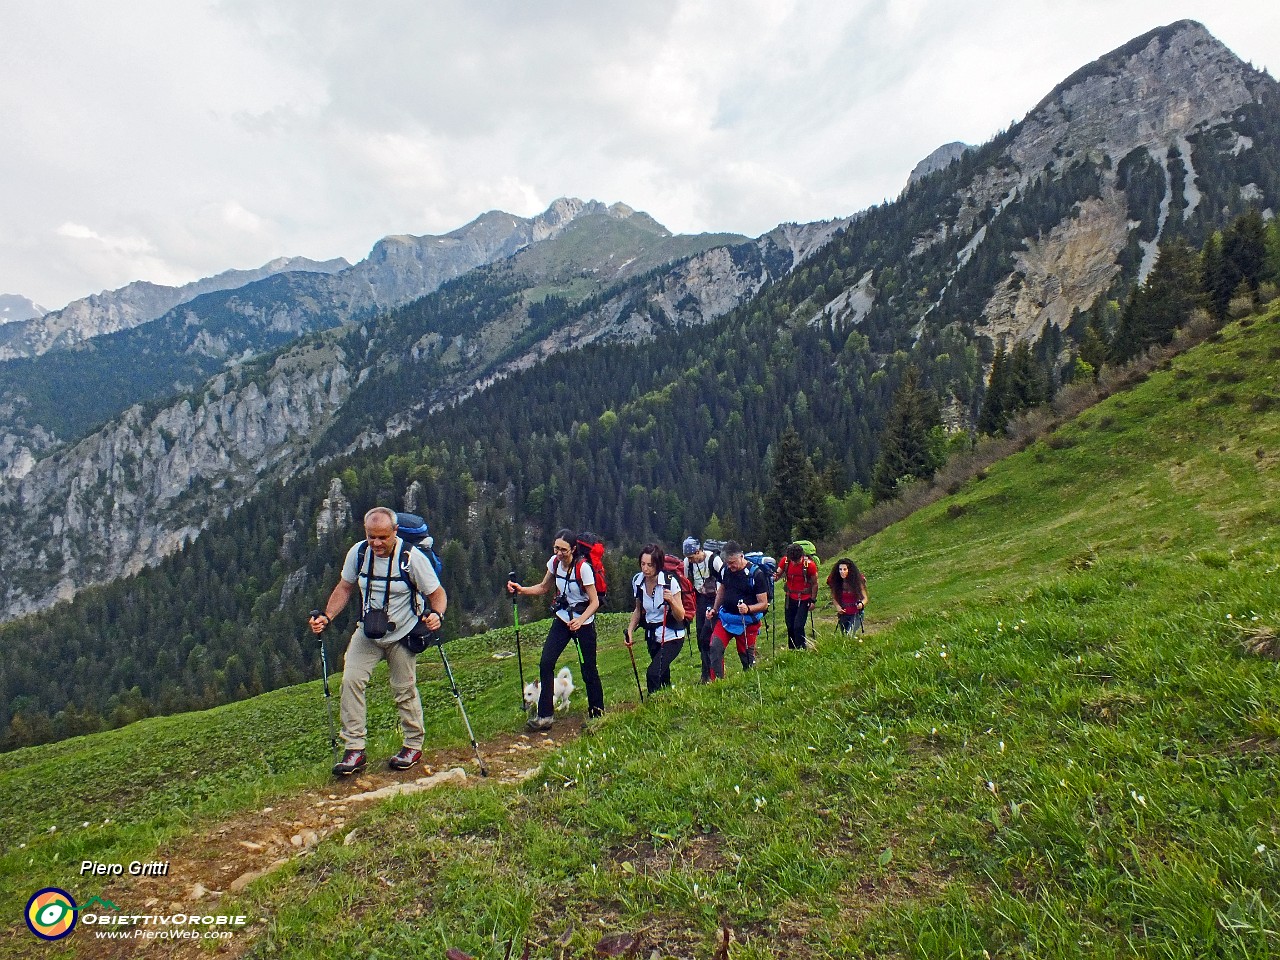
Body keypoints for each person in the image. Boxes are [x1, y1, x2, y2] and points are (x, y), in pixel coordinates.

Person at [309, 507, 446, 776]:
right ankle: (354, 749)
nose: (376, 543)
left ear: (395, 532)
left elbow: (437, 592)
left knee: (403, 688)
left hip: (404, 632)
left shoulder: (411, 558)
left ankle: (412, 745)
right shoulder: (358, 553)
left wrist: (436, 615)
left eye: (383, 537)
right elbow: (345, 587)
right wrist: (327, 616)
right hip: (368, 632)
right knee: (351, 681)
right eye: (372, 537)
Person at [506, 529, 605, 730]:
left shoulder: (583, 568)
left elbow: (595, 602)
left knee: (589, 669)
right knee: (546, 663)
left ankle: (597, 714)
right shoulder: (554, 563)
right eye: (556, 548)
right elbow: (544, 587)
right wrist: (521, 590)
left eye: (563, 550)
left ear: (573, 549)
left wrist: (581, 620)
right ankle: (545, 716)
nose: (559, 553)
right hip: (562, 619)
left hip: (583, 624)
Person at [626, 543, 687, 694]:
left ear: (658, 565)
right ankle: (666, 703)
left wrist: (671, 601)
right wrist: (630, 631)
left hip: (673, 636)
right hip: (653, 636)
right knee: (662, 673)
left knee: (653, 673)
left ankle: (653, 706)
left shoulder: (669, 582)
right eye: (642, 564)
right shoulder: (638, 581)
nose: (645, 569)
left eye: (650, 565)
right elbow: (638, 610)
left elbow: (681, 615)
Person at [707, 540, 770, 679]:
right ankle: (717, 684)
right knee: (715, 648)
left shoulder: (756, 574)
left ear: (741, 556)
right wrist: (715, 609)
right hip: (726, 619)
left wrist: (748, 608)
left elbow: (763, 604)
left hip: (746, 622)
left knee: (746, 657)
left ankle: (751, 681)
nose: (730, 566)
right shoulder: (725, 570)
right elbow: (722, 590)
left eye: (732, 562)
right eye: (728, 563)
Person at [682, 537, 724, 683]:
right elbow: (686, 583)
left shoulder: (714, 560)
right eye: (688, 558)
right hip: (700, 599)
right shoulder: (687, 563)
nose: (691, 560)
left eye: (692, 557)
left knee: (709, 636)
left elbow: (724, 580)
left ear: (699, 551)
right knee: (701, 636)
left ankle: (714, 672)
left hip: (716, 599)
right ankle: (705, 673)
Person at [776, 543, 819, 650]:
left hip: (804, 599)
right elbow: (777, 575)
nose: (795, 563)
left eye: (797, 560)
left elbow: (814, 583)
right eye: (793, 560)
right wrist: (773, 576)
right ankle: (792, 650)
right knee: (790, 626)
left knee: (798, 626)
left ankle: (801, 649)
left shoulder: (810, 565)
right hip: (790, 598)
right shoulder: (786, 561)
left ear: (802, 556)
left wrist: (813, 600)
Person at [827, 558, 867, 635]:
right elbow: (834, 597)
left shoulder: (857, 581)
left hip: (856, 613)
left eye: (845, 569)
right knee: (845, 635)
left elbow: (865, 598)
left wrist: (861, 604)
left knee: (849, 635)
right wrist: (838, 607)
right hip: (844, 614)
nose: (842, 572)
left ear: (849, 570)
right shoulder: (836, 582)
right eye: (840, 569)